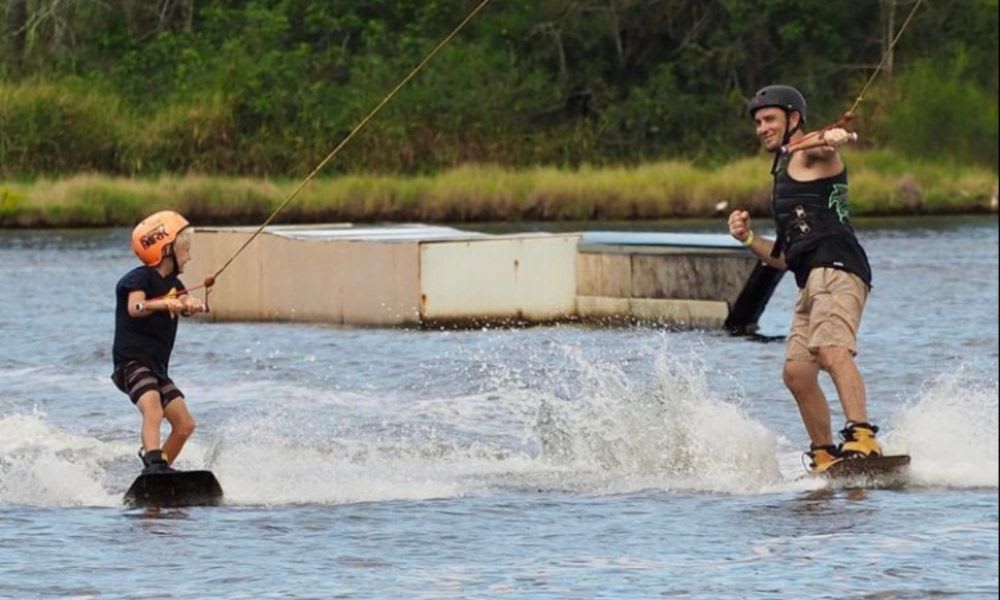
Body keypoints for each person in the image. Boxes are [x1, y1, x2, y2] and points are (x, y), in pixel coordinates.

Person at [728, 85, 881, 473]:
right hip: (808, 278)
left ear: (794, 119)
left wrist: (834, 138)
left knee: (832, 350)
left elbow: (826, 147)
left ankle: (863, 437)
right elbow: (782, 259)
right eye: (758, 122)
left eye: (770, 120)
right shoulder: (784, 172)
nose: (762, 128)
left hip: (838, 268)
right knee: (796, 373)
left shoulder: (813, 156)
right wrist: (746, 239)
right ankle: (825, 453)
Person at [112, 210, 205, 474]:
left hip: (157, 368)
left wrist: (190, 303)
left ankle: (159, 470)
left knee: (184, 424)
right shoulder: (137, 279)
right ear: (166, 251)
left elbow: (184, 302)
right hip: (131, 364)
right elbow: (135, 307)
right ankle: (153, 463)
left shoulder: (175, 283)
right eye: (186, 250)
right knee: (153, 409)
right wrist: (165, 303)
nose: (190, 256)